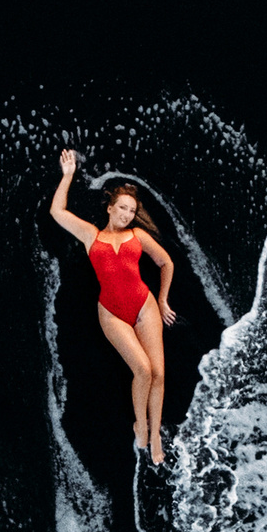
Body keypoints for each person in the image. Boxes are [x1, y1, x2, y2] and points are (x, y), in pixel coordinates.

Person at [50, 149, 177, 464]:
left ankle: (156, 433)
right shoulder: (91, 236)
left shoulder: (137, 236)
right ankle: (141, 424)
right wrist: (67, 176)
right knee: (143, 370)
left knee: (159, 374)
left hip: (144, 306)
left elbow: (166, 262)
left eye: (132, 210)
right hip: (112, 314)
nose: (127, 214)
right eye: (123, 208)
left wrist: (161, 300)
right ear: (110, 208)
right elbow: (57, 211)